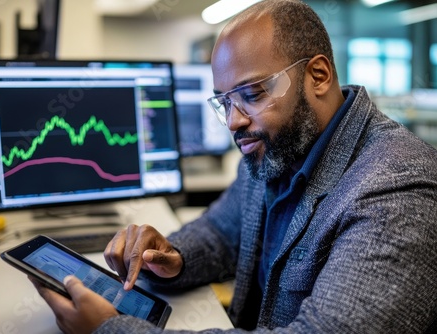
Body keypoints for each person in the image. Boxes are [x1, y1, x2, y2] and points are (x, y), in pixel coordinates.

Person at [31, 0, 437, 333]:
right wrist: (172, 256)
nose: (234, 121)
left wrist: (110, 330)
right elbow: (221, 235)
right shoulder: (278, 147)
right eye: (225, 102)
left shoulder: (397, 188)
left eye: (253, 94)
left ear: (317, 75)